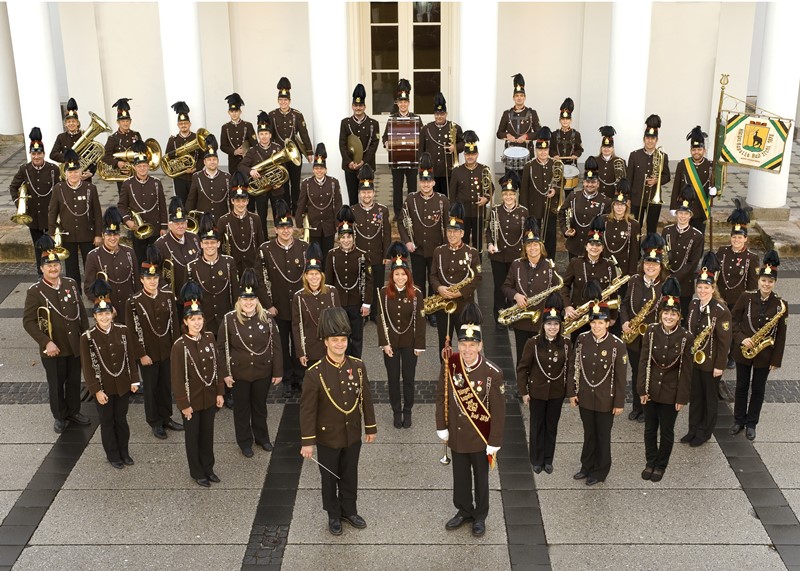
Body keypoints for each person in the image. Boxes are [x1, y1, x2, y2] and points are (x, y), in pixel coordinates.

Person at [300, 307, 377, 536]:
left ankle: (349, 510)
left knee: (350, 473)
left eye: (343, 340)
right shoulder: (315, 373)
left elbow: (366, 398)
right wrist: (307, 442)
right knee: (329, 477)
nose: (340, 344)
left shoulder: (357, 366)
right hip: (327, 436)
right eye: (335, 340)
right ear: (326, 342)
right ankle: (333, 515)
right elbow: (307, 411)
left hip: (352, 433)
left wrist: (370, 427)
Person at [436, 303, 505, 538]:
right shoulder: (451, 365)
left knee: (481, 479)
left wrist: (494, 440)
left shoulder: (492, 372)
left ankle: (480, 516)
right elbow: (440, 397)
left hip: (481, 436)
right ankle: (464, 510)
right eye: (463, 345)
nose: (467, 350)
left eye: (472, 345)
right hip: (456, 433)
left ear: (480, 346)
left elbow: (498, 410)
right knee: (460, 476)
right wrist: (441, 427)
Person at [23, 236, 91, 433]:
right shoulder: (35, 292)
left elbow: (80, 313)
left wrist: (85, 335)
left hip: (73, 343)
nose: (53, 269)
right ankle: (59, 415)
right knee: (56, 383)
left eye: (56, 265)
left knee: (73, 380)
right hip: (53, 347)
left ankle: (73, 411)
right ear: (42, 268)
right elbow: (28, 322)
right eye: (49, 266)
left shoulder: (70, 283)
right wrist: (46, 342)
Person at [218, 268, 282, 457]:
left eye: (252, 299)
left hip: (262, 371)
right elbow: (220, 348)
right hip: (239, 374)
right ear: (239, 301)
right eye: (245, 299)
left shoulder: (267, 319)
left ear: (257, 300)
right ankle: (245, 441)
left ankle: (262, 438)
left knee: (260, 407)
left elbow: (276, 346)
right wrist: (225, 375)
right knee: (242, 409)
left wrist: (278, 371)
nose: (248, 303)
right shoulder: (229, 319)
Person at [636, 277, 693, 482]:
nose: (669, 316)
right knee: (650, 429)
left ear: (679, 316)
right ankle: (650, 461)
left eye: (673, 314)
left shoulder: (686, 337)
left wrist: (681, 398)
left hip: (671, 392)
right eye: (666, 313)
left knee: (666, 432)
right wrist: (642, 389)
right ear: (661, 314)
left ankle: (661, 465)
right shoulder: (650, 331)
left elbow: (686, 371)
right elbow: (643, 362)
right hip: (651, 390)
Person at [126, 246, 184, 440]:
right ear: (142, 280)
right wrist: (141, 354)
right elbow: (132, 331)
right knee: (151, 388)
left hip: (166, 349)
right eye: (148, 279)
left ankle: (166, 416)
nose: (152, 282)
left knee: (166, 385)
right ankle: (154, 421)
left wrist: (176, 347)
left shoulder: (167, 296)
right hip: (148, 352)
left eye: (155, 278)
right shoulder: (134, 301)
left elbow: (174, 323)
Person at [567, 296, 627, 486]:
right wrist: (572, 392)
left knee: (602, 435)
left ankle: (600, 471)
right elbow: (573, 367)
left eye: (600, 323)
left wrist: (619, 403)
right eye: (593, 322)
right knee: (588, 433)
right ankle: (586, 466)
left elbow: (620, 376)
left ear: (607, 324)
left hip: (605, 399)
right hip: (585, 396)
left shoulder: (617, 345)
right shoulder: (582, 340)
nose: (596, 326)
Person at [81, 278, 139, 469]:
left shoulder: (123, 331)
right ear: (95, 316)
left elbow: (130, 357)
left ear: (112, 313)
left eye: (107, 313)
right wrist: (96, 390)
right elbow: (88, 367)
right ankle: (112, 454)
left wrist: (134, 380)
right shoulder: (87, 337)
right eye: (101, 315)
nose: (105, 318)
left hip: (122, 383)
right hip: (103, 387)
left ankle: (125, 451)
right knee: (107, 421)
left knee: (121, 420)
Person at [171, 281, 225, 487]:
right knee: (192, 438)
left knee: (207, 435)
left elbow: (217, 367)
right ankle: (196, 471)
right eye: (193, 319)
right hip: (192, 400)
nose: (197, 323)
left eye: (200, 318)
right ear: (185, 321)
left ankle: (208, 467)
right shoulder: (180, 345)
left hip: (209, 397)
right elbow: (177, 379)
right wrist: (184, 404)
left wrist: (220, 392)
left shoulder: (210, 338)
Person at [730, 251, 787, 441]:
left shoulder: (781, 305)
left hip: (765, 354)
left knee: (758, 389)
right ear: (758, 280)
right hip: (744, 349)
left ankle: (752, 422)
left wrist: (776, 360)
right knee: (741, 386)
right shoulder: (745, 297)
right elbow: (733, 321)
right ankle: (739, 419)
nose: (766, 284)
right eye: (763, 280)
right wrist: (741, 339)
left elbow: (781, 335)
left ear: (775, 283)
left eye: (770, 281)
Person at [681, 252, 732, 447]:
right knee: (695, 397)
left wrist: (720, 365)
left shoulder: (721, 310)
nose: (702, 291)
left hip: (711, 363)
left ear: (713, 288)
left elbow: (724, 342)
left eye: (706, 287)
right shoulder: (694, 305)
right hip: (695, 360)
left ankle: (704, 432)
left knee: (709, 399)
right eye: (700, 287)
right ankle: (693, 428)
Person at [257, 199, 307, 397]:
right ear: (275, 229)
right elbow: (261, 279)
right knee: (281, 344)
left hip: (298, 306)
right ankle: (286, 377)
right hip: (277, 306)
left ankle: (300, 377)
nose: (286, 231)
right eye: (281, 227)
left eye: (288, 227)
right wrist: (268, 305)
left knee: (298, 342)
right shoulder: (266, 250)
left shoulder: (303, 248)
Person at [516, 292, 570, 474]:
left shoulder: (566, 344)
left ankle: (548, 459)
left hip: (556, 392)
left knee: (551, 426)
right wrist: (523, 391)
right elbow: (522, 368)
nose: (552, 327)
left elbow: (569, 370)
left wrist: (569, 393)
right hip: (537, 391)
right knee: (537, 425)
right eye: (549, 324)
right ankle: (536, 459)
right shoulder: (533, 343)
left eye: (556, 324)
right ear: (543, 325)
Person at [397, 152, 451, 328]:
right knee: (418, 282)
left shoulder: (442, 200)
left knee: (434, 280)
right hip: (418, 249)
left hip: (437, 249)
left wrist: (446, 246)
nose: (426, 184)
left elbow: (448, 224)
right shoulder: (411, 199)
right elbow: (401, 221)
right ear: (419, 182)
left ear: (434, 182)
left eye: (429, 181)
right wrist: (406, 242)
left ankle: (432, 311)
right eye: (423, 181)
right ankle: (419, 310)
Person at [620, 233, 668, 422]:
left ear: (660, 266)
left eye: (654, 264)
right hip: (633, 335)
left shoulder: (665, 285)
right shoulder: (634, 281)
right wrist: (624, 322)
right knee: (636, 371)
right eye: (647, 264)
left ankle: (649, 409)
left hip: (654, 338)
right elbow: (624, 304)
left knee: (651, 372)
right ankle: (637, 407)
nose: (650, 267)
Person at [377, 243, 425, 428]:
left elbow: (420, 322)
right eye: (396, 274)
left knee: (409, 379)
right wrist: (384, 343)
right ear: (392, 275)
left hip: (410, 343)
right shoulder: (382, 292)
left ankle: (408, 411)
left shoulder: (417, 294)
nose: (400, 277)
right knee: (393, 379)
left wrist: (419, 345)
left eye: (403, 274)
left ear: (408, 275)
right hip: (390, 344)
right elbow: (380, 318)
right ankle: (397, 411)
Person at [502, 218, 560, 365]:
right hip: (521, 319)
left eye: (535, 245)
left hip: (541, 320)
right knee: (522, 358)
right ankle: (521, 387)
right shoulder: (516, 265)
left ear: (541, 246)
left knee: (540, 358)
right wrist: (516, 295)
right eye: (529, 245)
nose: (532, 248)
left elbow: (557, 291)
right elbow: (506, 287)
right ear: (525, 248)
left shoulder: (550, 266)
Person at [430, 202, 483, 356]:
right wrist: (439, 288)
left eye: (455, 231)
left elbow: (477, 277)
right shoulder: (439, 251)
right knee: (444, 342)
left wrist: (460, 293)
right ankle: (445, 373)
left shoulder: (472, 252)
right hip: (443, 303)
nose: (452, 235)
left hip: (463, 306)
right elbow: (433, 275)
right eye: (449, 231)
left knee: (466, 342)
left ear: (462, 233)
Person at [47, 148, 103, 285]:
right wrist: (52, 233)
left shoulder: (90, 188)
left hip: (87, 233)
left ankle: (92, 291)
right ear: (65, 174)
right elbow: (52, 212)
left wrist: (98, 234)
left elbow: (97, 213)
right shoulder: (58, 189)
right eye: (70, 172)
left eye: (76, 172)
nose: (73, 175)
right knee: (71, 268)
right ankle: (75, 291)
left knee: (90, 265)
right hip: (67, 234)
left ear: (80, 173)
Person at [716, 200, 759, 370]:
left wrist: (748, 301)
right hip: (721, 297)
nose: (736, 240)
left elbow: (752, 283)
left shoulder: (752, 258)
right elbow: (717, 275)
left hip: (738, 298)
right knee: (719, 326)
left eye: (739, 237)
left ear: (745, 239)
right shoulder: (722, 252)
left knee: (733, 327)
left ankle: (732, 354)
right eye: (734, 237)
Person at [10, 127, 59, 275]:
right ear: (30, 154)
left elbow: (59, 190)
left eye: (39, 153)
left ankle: (54, 271)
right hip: (34, 217)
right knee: (38, 247)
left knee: (53, 246)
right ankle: (41, 274)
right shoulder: (24, 169)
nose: (36, 157)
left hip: (50, 215)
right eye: (33, 153)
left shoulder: (53, 169)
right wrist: (20, 206)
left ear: (43, 154)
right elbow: (13, 187)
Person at [325, 206, 372, 358]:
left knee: (356, 338)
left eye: (349, 237)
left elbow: (369, 281)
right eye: (343, 237)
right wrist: (329, 303)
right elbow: (328, 281)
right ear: (338, 238)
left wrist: (366, 303)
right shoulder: (332, 255)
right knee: (340, 337)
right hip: (338, 303)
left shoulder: (362, 255)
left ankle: (356, 364)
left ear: (353, 237)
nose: (346, 240)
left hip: (356, 302)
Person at [561, 219, 619, 339]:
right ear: (586, 246)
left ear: (602, 248)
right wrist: (567, 306)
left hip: (601, 317)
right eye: (591, 244)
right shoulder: (575, 263)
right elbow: (565, 286)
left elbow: (614, 292)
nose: (594, 247)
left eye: (598, 245)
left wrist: (613, 316)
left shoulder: (609, 266)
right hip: (579, 315)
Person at [83, 207, 139, 324]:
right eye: (109, 235)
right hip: (108, 313)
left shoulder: (129, 252)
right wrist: (104, 305)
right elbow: (88, 288)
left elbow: (137, 283)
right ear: (103, 235)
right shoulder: (93, 256)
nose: (113, 238)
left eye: (116, 234)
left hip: (129, 308)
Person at [186, 213, 240, 337]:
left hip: (225, 319)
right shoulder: (192, 267)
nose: (209, 246)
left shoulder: (228, 262)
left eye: (212, 242)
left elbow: (235, 291)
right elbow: (189, 299)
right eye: (206, 243)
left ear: (218, 244)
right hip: (203, 322)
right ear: (201, 244)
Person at [292, 244, 341, 375]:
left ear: (322, 276)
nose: (314, 277)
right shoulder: (298, 297)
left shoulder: (332, 292)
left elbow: (339, 321)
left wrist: (339, 348)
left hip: (331, 347)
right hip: (310, 349)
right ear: (306, 276)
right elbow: (297, 327)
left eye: (317, 274)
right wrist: (300, 352)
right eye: (310, 274)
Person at [351, 164, 391, 322]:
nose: (366, 195)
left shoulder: (382, 210)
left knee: (377, 284)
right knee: (361, 284)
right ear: (359, 193)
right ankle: (363, 312)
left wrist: (386, 253)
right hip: (360, 255)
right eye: (363, 192)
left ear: (374, 193)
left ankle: (376, 311)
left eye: (369, 192)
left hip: (377, 254)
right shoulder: (353, 211)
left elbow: (386, 233)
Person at [118, 140, 168, 264]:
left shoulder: (156, 183)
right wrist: (127, 220)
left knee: (156, 258)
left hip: (155, 227)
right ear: (134, 167)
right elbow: (122, 205)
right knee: (140, 259)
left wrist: (164, 226)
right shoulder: (127, 184)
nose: (142, 168)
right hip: (137, 228)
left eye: (145, 166)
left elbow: (162, 205)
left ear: (148, 166)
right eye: (139, 166)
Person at [488, 173, 529, 323]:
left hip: (516, 256)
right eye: (505, 194)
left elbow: (527, 234)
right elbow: (489, 231)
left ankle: (512, 314)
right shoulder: (495, 211)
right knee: (499, 287)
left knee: (514, 286)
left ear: (516, 195)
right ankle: (499, 314)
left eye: (511, 194)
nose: (508, 197)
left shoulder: (523, 212)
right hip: (498, 256)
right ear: (502, 195)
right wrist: (490, 244)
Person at [269, 77, 314, 213]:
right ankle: (285, 209)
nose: (283, 102)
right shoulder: (272, 115)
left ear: (290, 101)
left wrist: (309, 151)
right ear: (278, 101)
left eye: (286, 100)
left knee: (295, 183)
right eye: (281, 100)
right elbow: (269, 135)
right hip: (279, 155)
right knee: (282, 182)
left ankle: (296, 208)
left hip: (295, 155)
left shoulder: (297, 115)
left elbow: (304, 134)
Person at [382, 78, 423, 218]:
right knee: (397, 189)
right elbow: (384, 137)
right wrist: (387, 144)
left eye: (405, 102)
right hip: (396, 161)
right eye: (401, 102)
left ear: (409, 103)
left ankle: (411, 212)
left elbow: (421, 138)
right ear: (397, 103)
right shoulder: (391, 119)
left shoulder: (416, 118)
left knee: (412, 189)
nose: (403, 104)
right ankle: (398, 214)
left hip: (412, 161)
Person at [296, 143, 343, 261]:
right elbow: (301, 204)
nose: (319, 171)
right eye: (316, 168)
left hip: (329, 226)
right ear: (313, 169)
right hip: (313, 226)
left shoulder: (333, 183)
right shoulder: (306, 184)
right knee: (314, 256)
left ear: (326, 169)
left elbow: (338, 204)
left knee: (328, 255)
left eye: (321, 168)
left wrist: (338, 224)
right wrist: (299, 223)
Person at [661, 188, 705, 316]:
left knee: (683, 313)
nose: (682, 216)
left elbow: (693, 261)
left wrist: (675, 277)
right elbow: (663, 253)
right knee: (666, 313)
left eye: (686, 214)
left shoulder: (697, 236)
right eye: (680, 213)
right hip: (666, 280)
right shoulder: (667, 231)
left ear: (690, 216)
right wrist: (666, 275)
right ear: (677, 214)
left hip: (685, 283)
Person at [239, 111, 286, 228]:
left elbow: (283, 167)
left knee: (279, 216)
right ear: (258, 136)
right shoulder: (252, 150)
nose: (264, 136)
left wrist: (279, 182)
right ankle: (263, 240)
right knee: (261, 217)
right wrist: (251, 171)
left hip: (276, 189)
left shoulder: (278, 147)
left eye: (266, 133)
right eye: (261, 134)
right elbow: (241, 166)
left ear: (270, 135)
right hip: (261, 191)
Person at [559, 157, 611, 260]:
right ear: (583, 183)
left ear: (598, 184)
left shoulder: (605, 201)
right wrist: (565, 230)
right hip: (575, 245)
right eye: (587, 182)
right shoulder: (573, 196)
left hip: (594, 247)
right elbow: (562, 213)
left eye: (593, 182)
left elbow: (608, 225)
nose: (590, 185)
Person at [448, 131, 492, 251]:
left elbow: (490, 188)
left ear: (477, 154)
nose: (470, 157)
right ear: (464, 155)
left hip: (478, 213)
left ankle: (477, 266)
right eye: (467, 154)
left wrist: (486, 198)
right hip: (463, 214)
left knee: (478, 243)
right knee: (463, 241)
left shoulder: (484, 169)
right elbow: (452, 194)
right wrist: (453, 213)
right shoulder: (457, 171)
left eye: (473, 154)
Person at [627, 114, 671, 234]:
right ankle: (636, 252)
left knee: (652, 229)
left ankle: (650, 251)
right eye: (647, 138)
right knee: (636, 227)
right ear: (644, 139)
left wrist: (658, 180)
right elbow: (629, 179)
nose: (650, 141)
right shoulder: (634, 155)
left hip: (654, 198)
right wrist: (628, 198)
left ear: (656, 140)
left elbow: (667, 176)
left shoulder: (663, 156)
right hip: (636, 198)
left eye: (652, 139)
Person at [217, 172, 265, 278]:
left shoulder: (255, 219)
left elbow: (260, 243)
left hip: (252, 267)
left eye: (243, 201)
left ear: (247, 201)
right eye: (237, 201)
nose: (241, 204)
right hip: (232, 268)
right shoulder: (223, 221)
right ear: (232, 201)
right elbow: (218, 247)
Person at [519, 127, 558, 259]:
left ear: (548, 150)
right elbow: (523, 190)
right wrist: (525, 211)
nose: (543, 152)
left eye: (545, 150)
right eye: (540, 150)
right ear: (536, 150)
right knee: (534, 237)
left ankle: (550, 262)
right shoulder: (529, 166)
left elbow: (560, 183)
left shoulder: (555, 164)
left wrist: (555, 190)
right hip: (534, 208)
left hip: (550, 208)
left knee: (551, 237)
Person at [339, 83, 380, 205]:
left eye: (360, 105)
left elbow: (374, 145)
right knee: (352, 197)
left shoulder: (373, 124)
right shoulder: (346, 123)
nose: (358, 108)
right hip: (350, 166)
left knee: (367, 196)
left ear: (365, 106)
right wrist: (349, 162)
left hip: (367, 166)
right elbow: (342, 144)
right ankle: (353, 221)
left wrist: (363, 162)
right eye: (356, 105)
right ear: (352, 106)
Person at [669, 126, 714, 234]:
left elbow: (714, 185)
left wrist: (715, 191)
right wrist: (673, 206)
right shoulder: (683, 164)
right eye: (694, 150)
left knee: (699, 238)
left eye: (699, 149)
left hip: (700, 209)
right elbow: (676, 186)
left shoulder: (710, 166)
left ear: (704, 150)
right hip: (685, 209)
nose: (696, 152)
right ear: (690, 150)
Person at [154, 197, 201, 300]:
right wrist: (166, 289)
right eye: (176, 224)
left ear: (186, 223)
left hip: (196, 292)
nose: (180, 226)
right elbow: (155, 270)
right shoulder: (160, 244)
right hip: (176, 294)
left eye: (183, 223)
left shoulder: (194, 238)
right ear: (170, 225)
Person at [496, 73, 541, 177]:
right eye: (517, 96)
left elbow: (539, 133)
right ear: (513, 97)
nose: (519, 98)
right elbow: (499, 133)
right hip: (510, 154)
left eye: (521, 96)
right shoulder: (506, 113)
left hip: (527, 154)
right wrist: (507, 135)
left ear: (525, 97)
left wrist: (527, 136)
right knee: (510, 185)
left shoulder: (531, 113)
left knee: (525, 185)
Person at [420, 92, 464, 194]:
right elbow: (421, 151)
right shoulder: (426, 129)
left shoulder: (455, 127)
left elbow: (463, 144)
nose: (439, 117)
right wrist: (422, 170)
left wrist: (455, 147)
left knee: (447, 197)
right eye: (437, 114)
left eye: (442, 114)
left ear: (446, 114)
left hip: (448, 171)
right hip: (431, 170)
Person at [187, 134, 232, 223]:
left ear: (218, 161)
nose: (212, 162)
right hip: (203, 221)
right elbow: (191, 200)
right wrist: (188, 218)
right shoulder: (197, 177)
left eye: (214, 159)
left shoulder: (226, 177)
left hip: (221, 220)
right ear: (204, 162)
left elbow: (232, 200)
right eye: (209, 160)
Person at [165, 101, 203, 205]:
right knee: (181, 203)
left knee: (196, 202)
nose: (183, 125)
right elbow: (168, 159)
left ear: (190, 124)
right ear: (178, 125)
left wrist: (196, 168)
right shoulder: (173, 140)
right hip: (180, 178)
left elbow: (203, 158)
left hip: (194, 175)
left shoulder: (196, 138)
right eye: (181, 124)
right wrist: (180, 168)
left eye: (185, 123)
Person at [102, 98, 141, 193]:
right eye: (123, 121)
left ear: (130, 121)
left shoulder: (136, 135)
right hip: (122, 173)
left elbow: (141, 152)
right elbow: (105, 156)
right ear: (118, 122)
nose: (125, 123)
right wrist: (117, 163)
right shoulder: (113, 138)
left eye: (127, 121)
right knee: (124, 198)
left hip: (137, 172)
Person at [220, 92, 257, 177]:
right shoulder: (225, 127)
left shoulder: (248, 125)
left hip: (247, 162)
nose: (234, 113)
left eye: (236, 111)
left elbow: (255, 144)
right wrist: (234, 151)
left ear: (240, 112)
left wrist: (246, 151)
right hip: (233, 163)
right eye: (232, 111)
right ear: (228, 112)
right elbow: (223, 146)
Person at [595, 126, 626, 200]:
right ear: (601, 148)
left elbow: (623, 181)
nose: (606, 149)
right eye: (604, 147)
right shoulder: (595, 160)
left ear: (613, 148)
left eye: (609, 147)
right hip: (596, 197)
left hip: (612, 197)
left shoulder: (620, 162)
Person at [550, 98, 583, 166]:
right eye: (563, 119)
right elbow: (551, 149)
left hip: (572, 164)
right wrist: (555, 155)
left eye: (567, 119)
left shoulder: (576, 134)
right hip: (558, 164)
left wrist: (575, 155)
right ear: (560, 120)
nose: (565, 121)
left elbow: (579, 149)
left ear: (571, 120)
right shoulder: (554, 134)